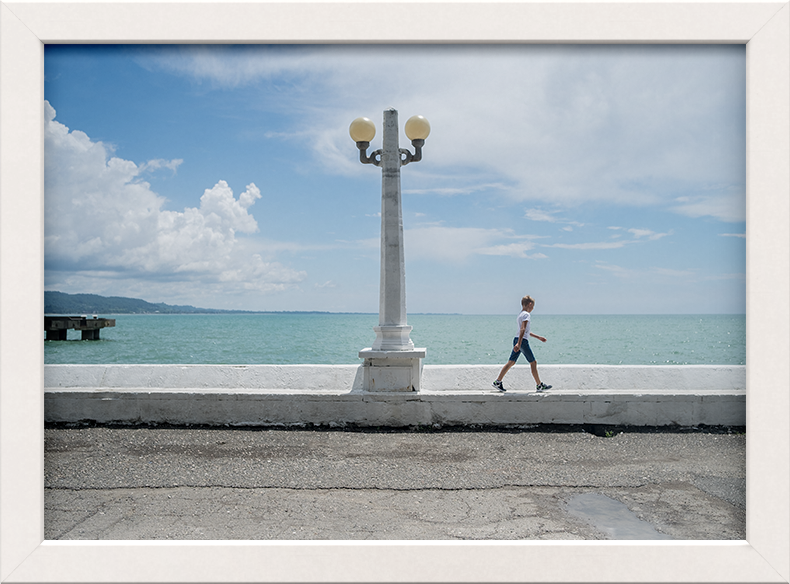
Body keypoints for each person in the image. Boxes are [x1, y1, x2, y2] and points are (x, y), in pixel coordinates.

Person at [493, 295, 552, 393]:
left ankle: (498, 381)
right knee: (533, 362)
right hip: (522, 341)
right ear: (530, 304)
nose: (533, 308)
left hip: (517, 339)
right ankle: (539, 385)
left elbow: (525, 331)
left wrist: (538, 337)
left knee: (511, 362)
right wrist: (519, 344)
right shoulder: (526, 314)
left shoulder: (520, 314)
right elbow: (523, 329)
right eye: (533, 306)